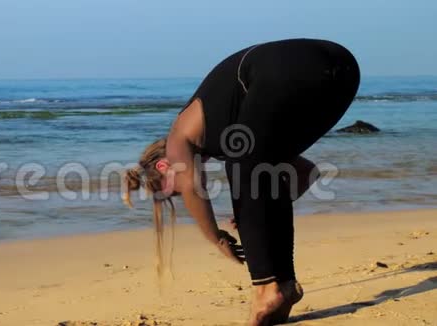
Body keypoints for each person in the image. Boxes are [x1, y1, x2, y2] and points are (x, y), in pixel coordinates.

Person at [123, 38, 360, 326]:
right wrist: (253, 215)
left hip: (296, 68)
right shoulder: (235, 135)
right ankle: (284, 285)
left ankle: (265, 287)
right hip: (342, 71)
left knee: (243, 162)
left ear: (163, 165)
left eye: (172, 191)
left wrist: (217, 237)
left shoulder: (179, 137)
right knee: (267, 172)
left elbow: (192, 187)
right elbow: (305, 173)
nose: (182, 193)